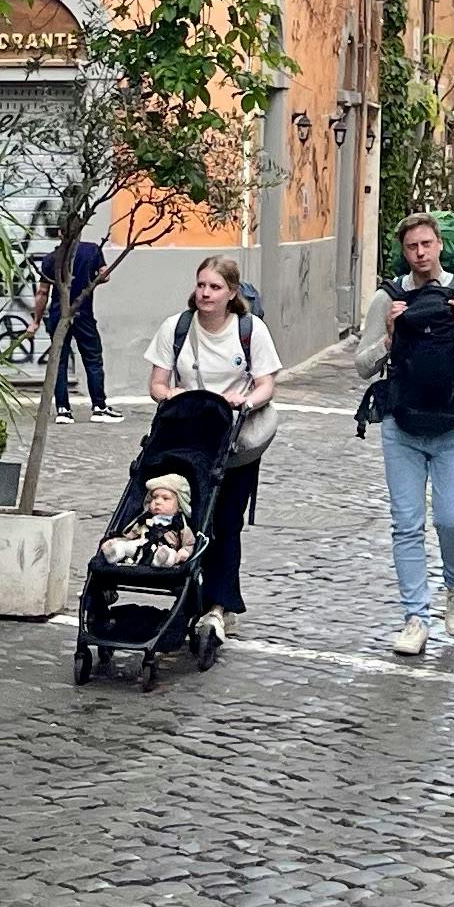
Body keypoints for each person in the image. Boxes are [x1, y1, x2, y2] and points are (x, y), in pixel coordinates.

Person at [352, 213, 454, 656]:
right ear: (404, 252)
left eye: (427, 244)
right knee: (406, 524)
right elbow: (362, 367)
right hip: (402, 424)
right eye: (412, 246)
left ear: (439, 245)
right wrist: (389, 338)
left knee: (453, 518)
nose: (420, 253)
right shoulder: (388, 297)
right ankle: (415, 617)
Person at [142, 259, 278, 645]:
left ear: (232, 292)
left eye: (215, 287)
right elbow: (156, 383)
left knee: (227, 522)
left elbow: (267, 383)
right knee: (189, 516)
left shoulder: (250, 330)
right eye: (201, 285)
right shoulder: (177, 327)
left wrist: (246, 400)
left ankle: (220, 604)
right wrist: (171, 394)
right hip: (187, 436)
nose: (205, 293)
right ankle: (189, 596)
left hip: (234, 440)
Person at [40, 229, 111, 416]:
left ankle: (63, 409)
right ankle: (99, 407)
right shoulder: (92, 250)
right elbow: (105, 275)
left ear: (60, 233)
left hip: (58, 314)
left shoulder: (51, 258)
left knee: (59, 362)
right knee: (93, 359)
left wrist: (35, 320)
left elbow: (42, 292)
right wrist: (89, 281)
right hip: (83, 313)